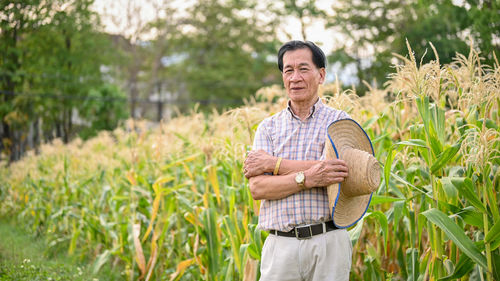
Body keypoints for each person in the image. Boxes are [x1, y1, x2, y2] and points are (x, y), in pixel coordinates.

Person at [244, 40, 352, 281]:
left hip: (328, 243)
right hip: (281, 246)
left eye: (303, 69)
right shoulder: (268, 128)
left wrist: (273, 164)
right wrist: (310, 177)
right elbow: (258, 187)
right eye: (288, 70)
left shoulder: (340, 122)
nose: (295, 77)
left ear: (321, 75)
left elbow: (339, 172)